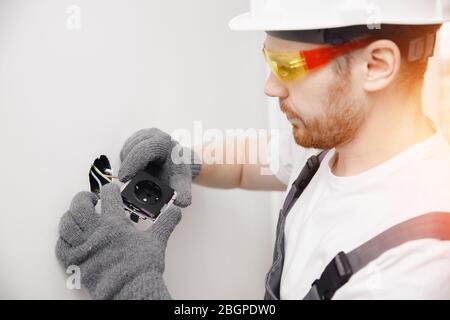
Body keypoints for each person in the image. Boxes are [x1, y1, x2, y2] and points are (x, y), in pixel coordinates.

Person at [56, 0, 450, 299]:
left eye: (287, 66)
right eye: (267, 60)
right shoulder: (330, 148)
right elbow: (249, 162)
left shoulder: (418, 264)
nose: (271, 87)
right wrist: (183, 158)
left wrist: (129, 284)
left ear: (376, 64)